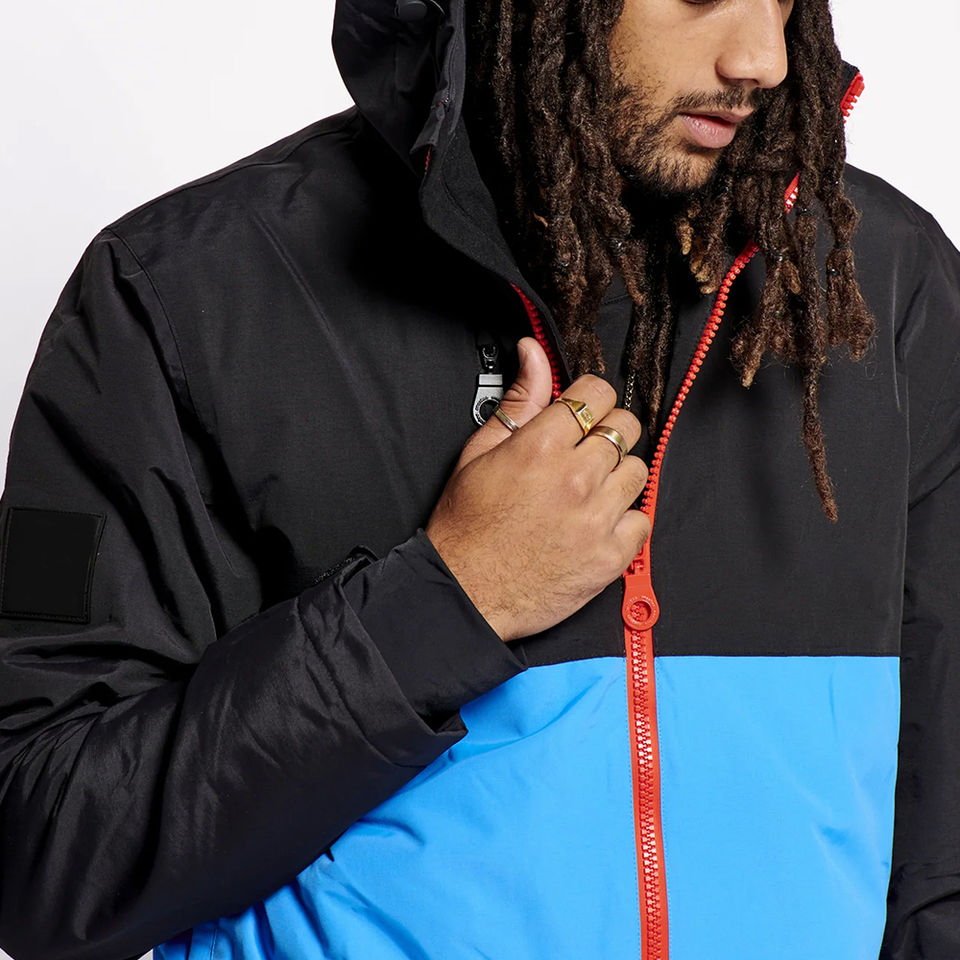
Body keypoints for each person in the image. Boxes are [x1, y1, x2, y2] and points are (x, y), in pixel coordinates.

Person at [0, 0, 957, 957]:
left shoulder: (887, 287)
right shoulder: (188, 291)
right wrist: (446, 601)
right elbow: (38, 851)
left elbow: (938, 865)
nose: (762, 57)